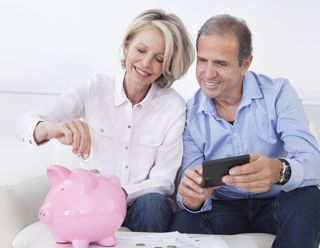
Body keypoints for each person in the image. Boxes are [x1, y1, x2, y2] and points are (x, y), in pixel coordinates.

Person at [15, 9, 194, 232]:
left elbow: (164, 180)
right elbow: (23, 124)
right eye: (141, 50)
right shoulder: (95, 89)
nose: (146, 63)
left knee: (154, 204)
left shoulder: (173, 106)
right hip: (94, 203)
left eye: (159, 59)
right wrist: (51, 128)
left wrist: (119, 191)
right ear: (127, 45)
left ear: (167, 65)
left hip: (141, 203)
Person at [170, 14, 320, 248]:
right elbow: (188, 179)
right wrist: (191, 198)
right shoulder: (189, 113)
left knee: (308, 197)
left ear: (245, 63)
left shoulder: (278, 94)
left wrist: (278, 171)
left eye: (221, 63)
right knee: (184, 221)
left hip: (276, 202)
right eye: (203, 60)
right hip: (224, 210)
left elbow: (315, 164)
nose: (208, 73)